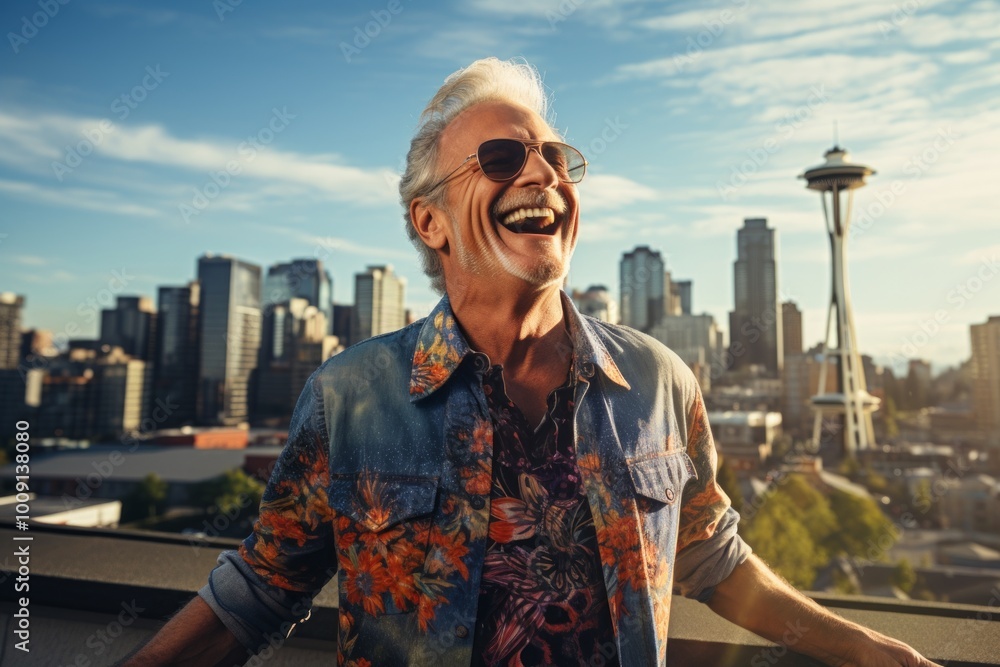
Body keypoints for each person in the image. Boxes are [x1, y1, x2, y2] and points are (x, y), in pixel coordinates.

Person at [124, 57, 940, 667]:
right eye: (505, 159)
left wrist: (875, 651)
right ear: (432, 221)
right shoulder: (350, 398)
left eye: (555, 156)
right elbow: (260, 590)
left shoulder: (660, 383)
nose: (543, 173)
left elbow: (710, 557)